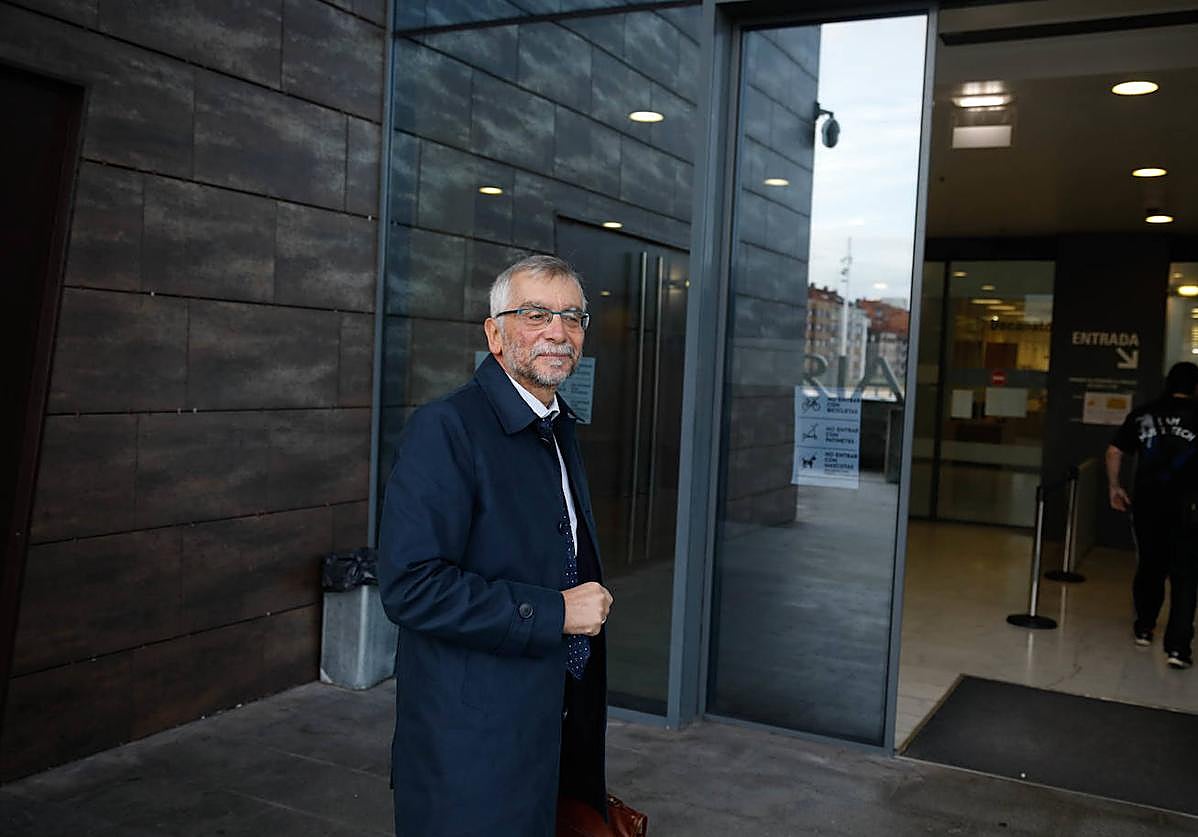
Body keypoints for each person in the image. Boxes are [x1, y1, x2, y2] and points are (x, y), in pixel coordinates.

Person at [378, 255, 614, 836]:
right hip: (472, 750)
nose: (558, 332)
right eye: (536, 314)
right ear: (495, 333)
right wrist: (557, 612)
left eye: (572, 316)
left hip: (551, 732)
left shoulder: (559, 426)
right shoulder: (446, 429)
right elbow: (411, 588)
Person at [1106, 361, 1198, 670]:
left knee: (1150, 566)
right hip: (1189, 509)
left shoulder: (1143, 414)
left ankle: (1145, 627)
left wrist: (1114, 487)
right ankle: (1178, 648)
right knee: (1185, 576)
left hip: (1148, 504)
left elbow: (1114, 451)